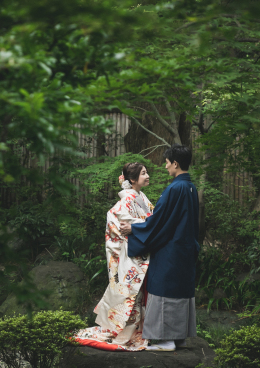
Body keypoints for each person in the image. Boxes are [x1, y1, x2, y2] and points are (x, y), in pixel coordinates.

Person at [119, 144, 199, 352]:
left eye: (166, 163)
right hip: (185, 248)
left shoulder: (175, 188)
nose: (165, 167)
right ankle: (178, 336)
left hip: (171, 250)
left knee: (164, 288)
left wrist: (134, 229)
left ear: (175, 163)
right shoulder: (190, 187)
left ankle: (166, 340)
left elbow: (160, 221)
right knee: (179, 289)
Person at [74, 162, 153, 351]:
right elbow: (119, 222)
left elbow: (151, 219)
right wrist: (140, 226)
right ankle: (127, 334)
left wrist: (143, 225)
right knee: (131, 297)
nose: (148, 175)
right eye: (143, 173)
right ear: (133, 179)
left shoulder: (141, 196)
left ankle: (138, 331)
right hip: (131, 255)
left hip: (140, 252)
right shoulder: (126, 200)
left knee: (137, 296)